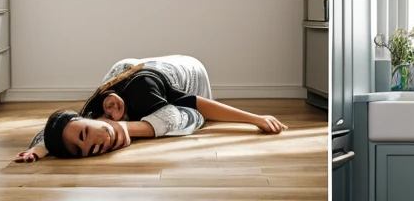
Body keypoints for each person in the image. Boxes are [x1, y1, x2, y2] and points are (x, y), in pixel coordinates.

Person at [15, 54, 287, 161]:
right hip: (135, 70)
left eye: (88, 135)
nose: (98, 145)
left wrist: (256, 119)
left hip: (189, 71)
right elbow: (59, 128)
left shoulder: (141, 90)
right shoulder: (90, 115)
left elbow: (195, 105)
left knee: (188, 120)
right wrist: (38, 149)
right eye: (89, 151)